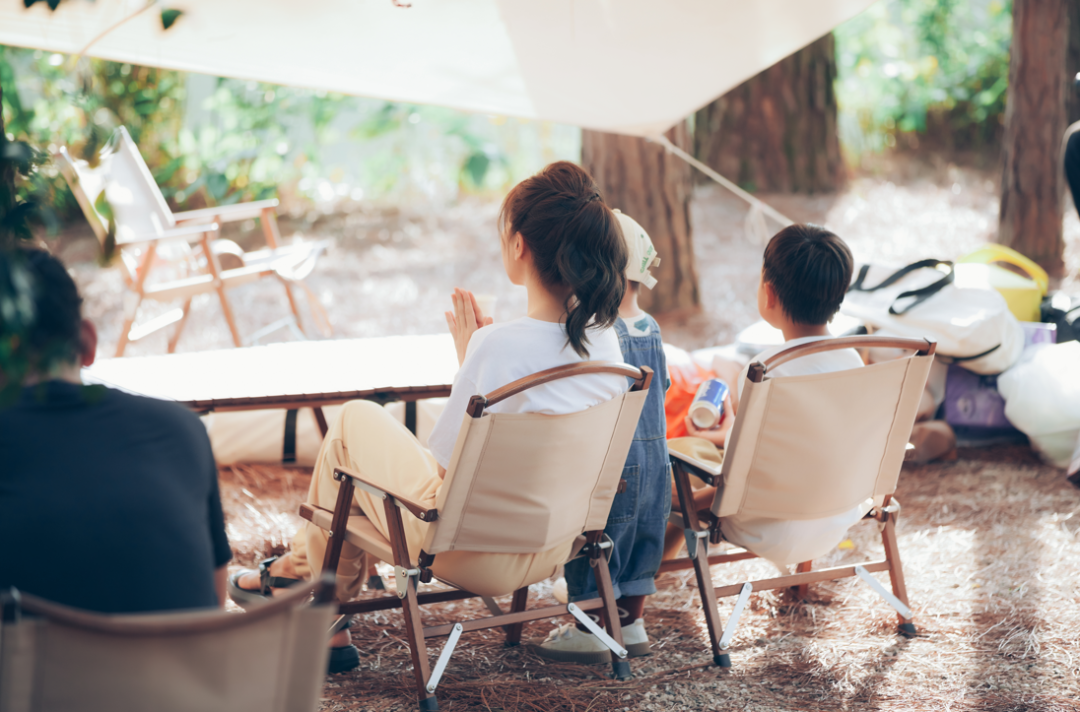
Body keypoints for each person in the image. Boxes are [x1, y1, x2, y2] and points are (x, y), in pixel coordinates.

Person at [228, 161, 631, 672]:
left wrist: (474, 361)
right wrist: (479, 365)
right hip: (559, 542)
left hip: (464, 553)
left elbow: (448, 479)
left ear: (519, 246)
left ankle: (306, 588)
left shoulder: (498, 346)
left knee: (350, 426)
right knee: (347, 467)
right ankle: (308, 592)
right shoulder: (608, 345)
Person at [0, 248, 232, 613]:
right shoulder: (181, 429)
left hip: (44, 671)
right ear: (88, 342)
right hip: (181, 668)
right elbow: (215, 602)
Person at [663, 224, 867, 566]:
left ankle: (625, 590)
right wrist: (723, 436)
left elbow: (742, 477)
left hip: (770, 528)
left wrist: (694, 501)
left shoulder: (765, 370)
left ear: (769, 294)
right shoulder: (854, 362)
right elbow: (801, 441)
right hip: (836, 518)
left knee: (670, 475)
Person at [536, 210, 670, 663]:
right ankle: (631, 624)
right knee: (641, 543)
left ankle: (589, 628)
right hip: (657, 462)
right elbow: (661, 390)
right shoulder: (649, 326)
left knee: (596, 540)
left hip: (615, 463)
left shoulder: (598, 333)